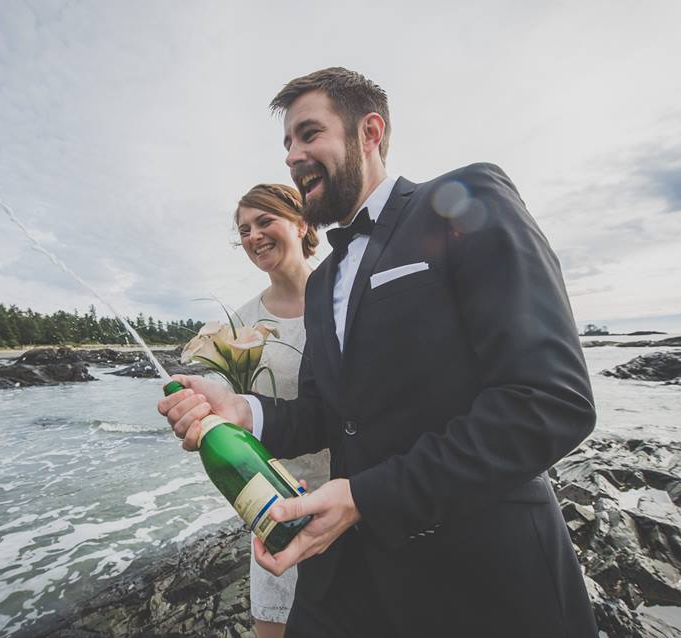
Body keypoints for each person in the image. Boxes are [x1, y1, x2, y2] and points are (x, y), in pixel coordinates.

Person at [160, 67, 598, 637]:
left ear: (370, 133)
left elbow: (550, 401)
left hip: (486, 578)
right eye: (287, 144)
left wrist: (366, 497)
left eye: (309, 133)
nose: (293, 156)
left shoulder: (465, 199)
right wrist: (243, 411)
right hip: (352, 578)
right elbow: (326, 413)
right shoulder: (323, 283)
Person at [232, 183, 329, 638]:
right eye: (244, 229)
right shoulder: (240, 324)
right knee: (274, 628)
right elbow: (235, 415)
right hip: (277, 503)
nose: (253, 236)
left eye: (264, 221)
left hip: (353, 493)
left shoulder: (345, 297)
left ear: (302, 222)